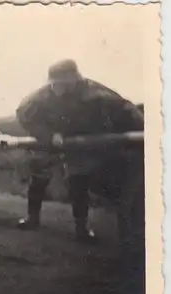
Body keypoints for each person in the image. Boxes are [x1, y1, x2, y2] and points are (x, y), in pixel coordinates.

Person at [16, 59, 144, 244]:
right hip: (50, 140)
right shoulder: (41, 96)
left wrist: (144, 133)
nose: (55, 87)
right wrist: (48, 135)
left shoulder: (97, 93)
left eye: (60, 83)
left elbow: (127, 110)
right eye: (53, 82)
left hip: (82, 142)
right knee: (39, 175)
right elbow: (24, 115)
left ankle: (81, 228)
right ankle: (32, 217)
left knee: (78, 181)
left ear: (74, 79)